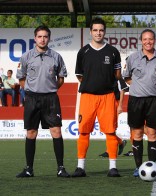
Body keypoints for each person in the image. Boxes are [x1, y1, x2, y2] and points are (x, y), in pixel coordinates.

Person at [16, 25, 70, 178]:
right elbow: (21, 79)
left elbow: (61, 79)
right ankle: (28, 169)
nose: (42, 39)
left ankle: (60, 168)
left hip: (51, 98)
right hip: (32, 98)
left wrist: (50, 88)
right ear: (35, 38)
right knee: (31, 132)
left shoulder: (56, 56)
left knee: (56, 131)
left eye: (45, 36)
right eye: (39, 36)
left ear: (49, 38)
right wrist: (31, 90)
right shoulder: (26, 57)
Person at [72, 17, 122, 177]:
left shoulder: (113, 52)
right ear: (91, 32)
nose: (98, 33)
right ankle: (80, 167)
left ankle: (113, 167)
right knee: (84, 132)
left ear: (104, 32)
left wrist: (104, 84)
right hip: (87, 97)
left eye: (101, 30)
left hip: (107, 97)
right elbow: (80, 75)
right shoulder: (83, 52)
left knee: (110, 132)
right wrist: (92, 84)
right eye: (95, 30)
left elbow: (117, 74)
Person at [123, 29, 156, 177]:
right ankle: (138, 167)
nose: (148, 42)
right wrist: (136, 86)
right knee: (137, 133)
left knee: (152, 133)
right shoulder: (132, 58)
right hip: (136, 100)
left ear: (154, 40)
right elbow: (126, 77)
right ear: (141, 41)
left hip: (155, 100)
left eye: (151, 39)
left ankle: (152, 166)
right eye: (145, 39)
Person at [99, 78, 129, 158]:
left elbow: (123, 90)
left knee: (111, 127)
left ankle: (109, 150)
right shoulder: (105, 75)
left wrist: (120, 105)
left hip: (115, 103)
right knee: (106, 127)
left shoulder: (118, 77)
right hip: (106, 102)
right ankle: (120, 142)